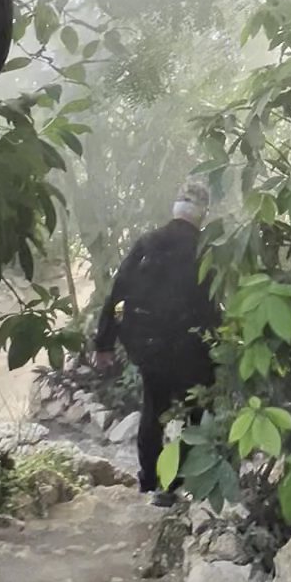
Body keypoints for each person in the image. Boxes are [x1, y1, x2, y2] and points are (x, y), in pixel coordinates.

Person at [93, 177, 220, 494]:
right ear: (203, 213)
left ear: (175, 208)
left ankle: (150, 481)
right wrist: (220, 347)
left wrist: (106, 342)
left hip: (149, 347)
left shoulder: (147, 243)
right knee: (196, 413)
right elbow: (212, 306)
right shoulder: (206, 251)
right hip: (192, 349)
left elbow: (119, 295)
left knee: (154, 410)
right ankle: (180, 482)